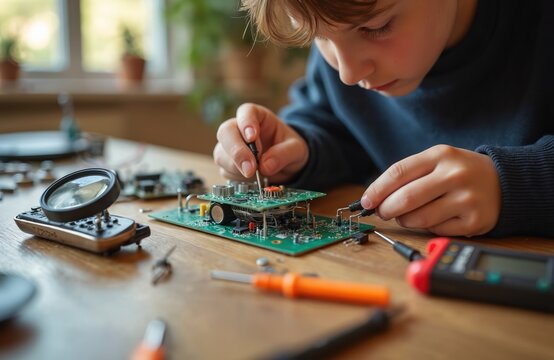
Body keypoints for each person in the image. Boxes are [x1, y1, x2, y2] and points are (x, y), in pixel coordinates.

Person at [213, 0, 554, 238]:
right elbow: (337, 127)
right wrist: (298, 149)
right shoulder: (345, 51)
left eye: (376, 27)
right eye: (317, 36)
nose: (348, 73)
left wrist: (514, 185)